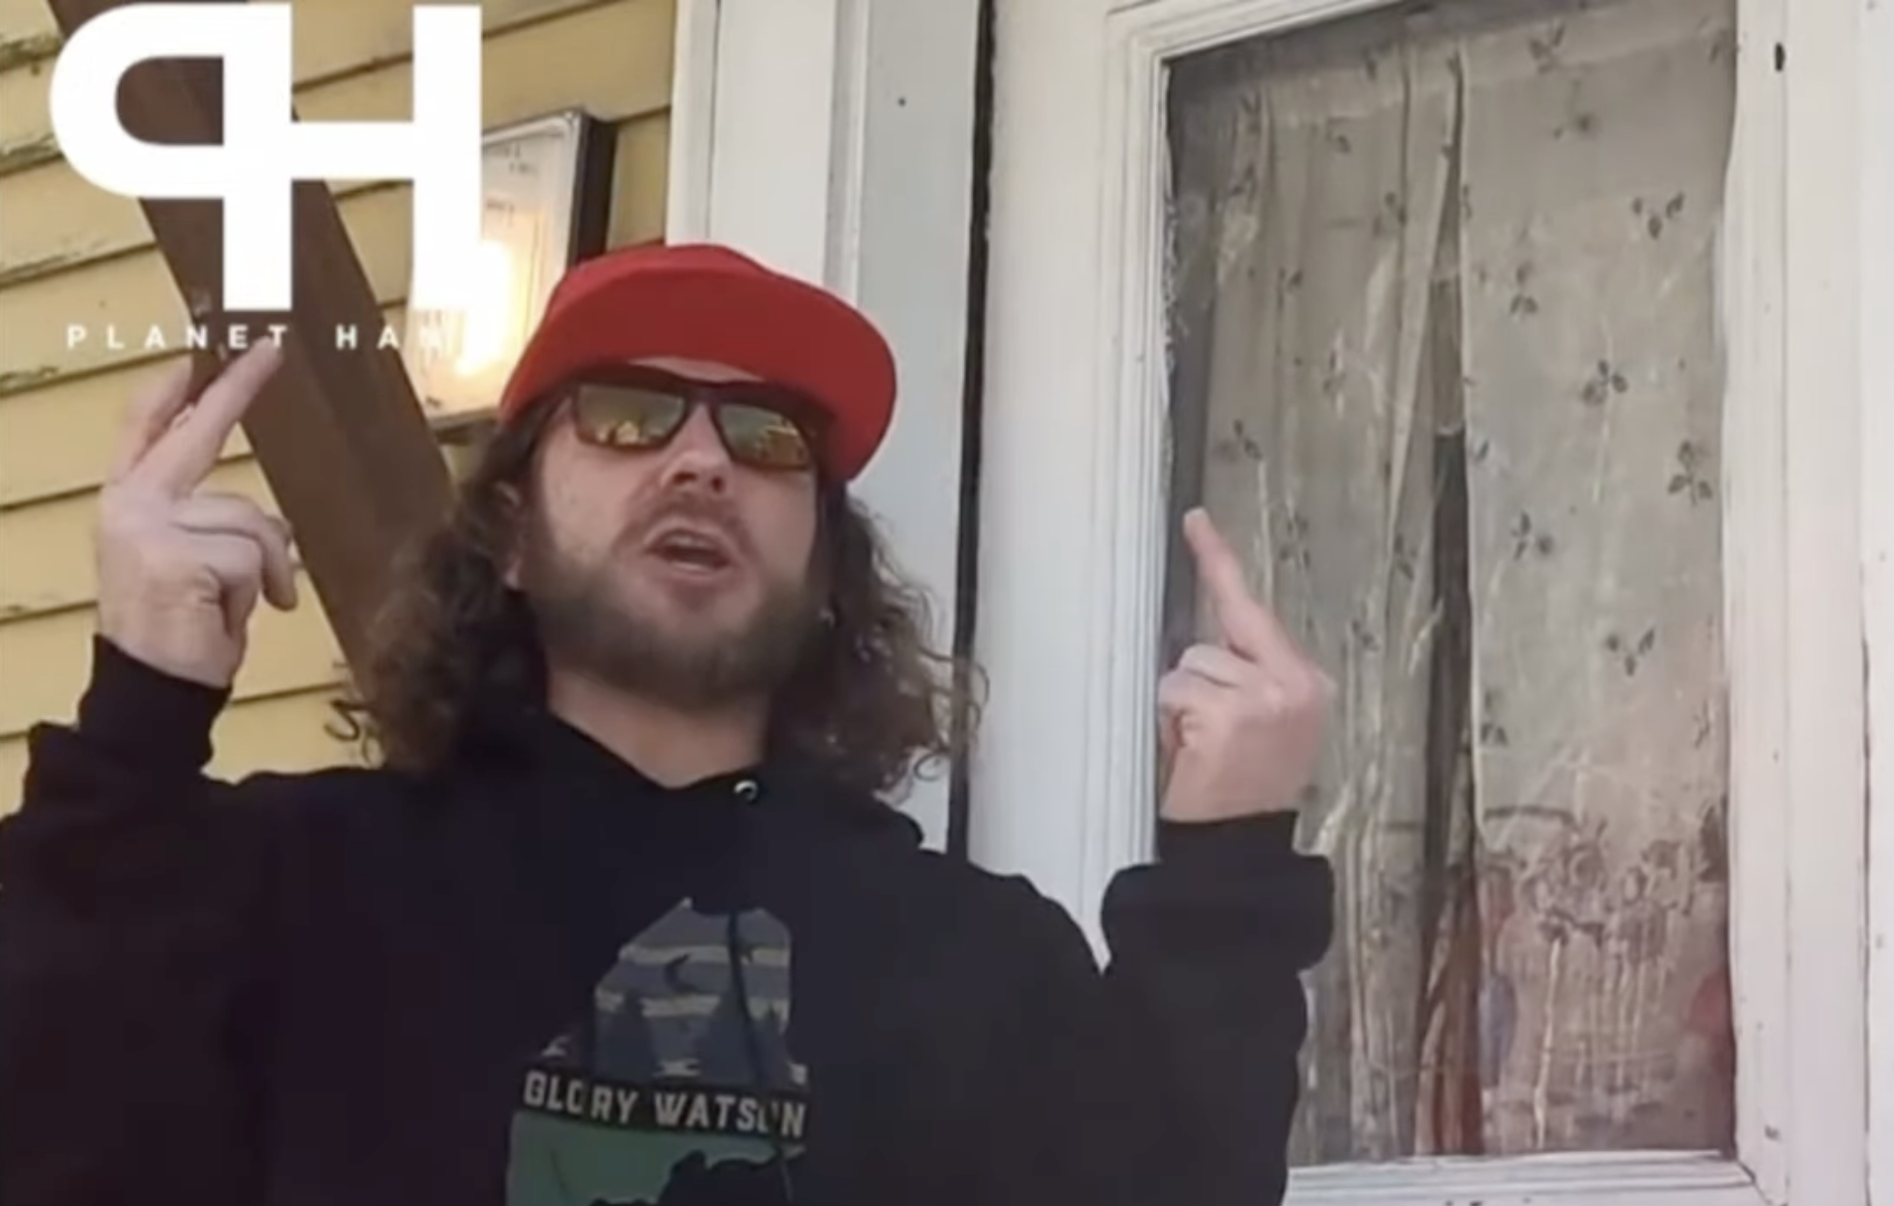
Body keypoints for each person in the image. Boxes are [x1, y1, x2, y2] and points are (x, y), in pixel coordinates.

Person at [0, 243, 1335, 1206]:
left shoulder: (972, 959)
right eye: (630, 413)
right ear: (510, 535)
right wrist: (138, 718)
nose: (700, 459)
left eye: (767, 437)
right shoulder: (295, 884)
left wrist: (1227, 869)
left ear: (825, 572)